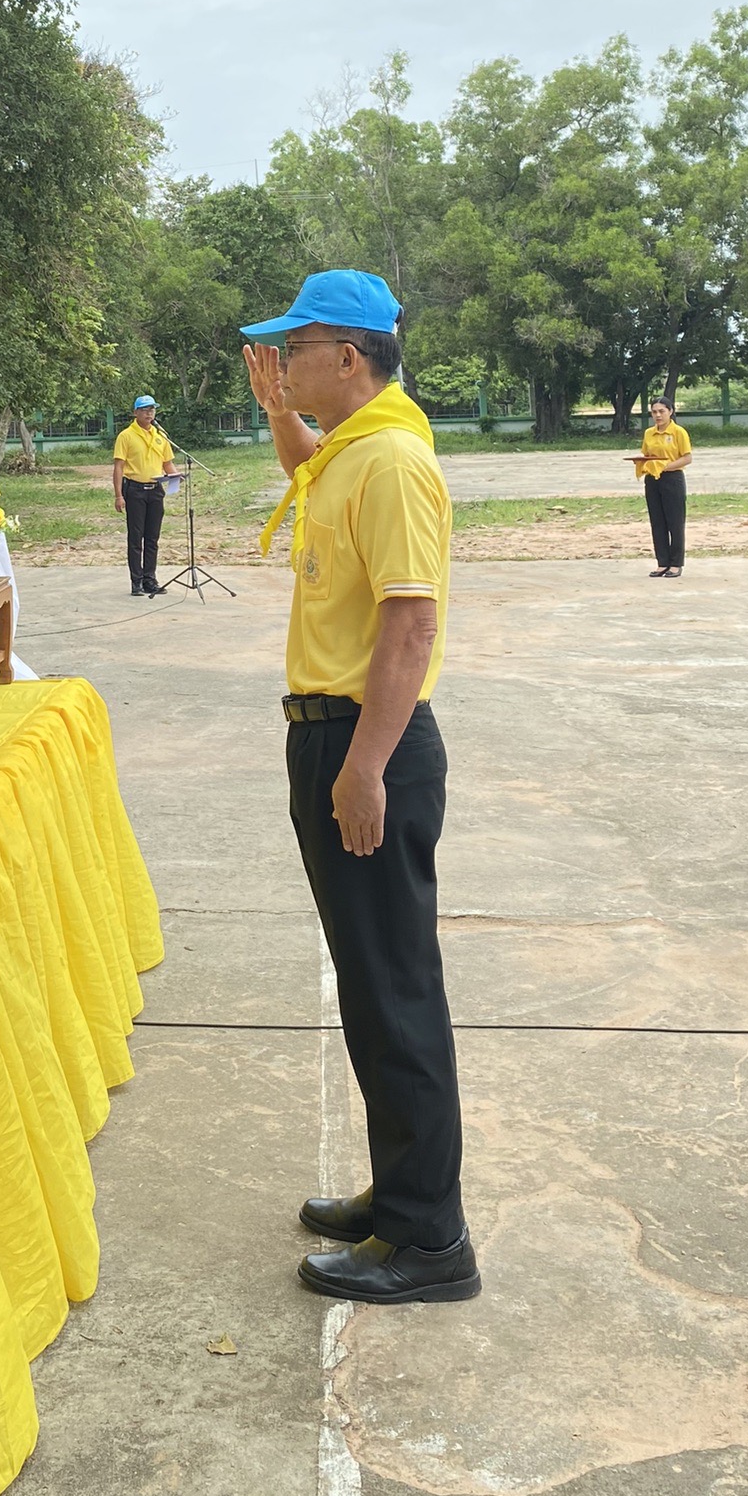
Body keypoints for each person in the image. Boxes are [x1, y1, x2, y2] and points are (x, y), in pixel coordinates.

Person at [242, 269, 478, 1307]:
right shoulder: (349, 449)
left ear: (348, 356)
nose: (282, 360)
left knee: (394, 990)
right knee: (372, 987)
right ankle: (400, 1195)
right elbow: (306, 473)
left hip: (363, 740)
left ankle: (430, 1241)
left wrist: (365, 767)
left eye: (295, 349)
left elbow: (410, 624)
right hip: (334, 735)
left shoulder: (389, 464)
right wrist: (277, 414)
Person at [112, 395, 174, 596]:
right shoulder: (126, 436)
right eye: (145, 410)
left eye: (152, 410)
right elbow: (119, 467)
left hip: (155, 490)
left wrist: (177, 478)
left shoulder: (160, 435)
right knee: (136, 537)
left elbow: (167, 464)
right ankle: (136, 581)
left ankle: (150, 579)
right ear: (135, 412)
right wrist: (118, 495)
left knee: (152, 538)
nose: (149, 413)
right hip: (135, 490)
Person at [631, 397, 692, 577]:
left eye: (661, 411)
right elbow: (647, 454)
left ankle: (676, 564)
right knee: (657, 521)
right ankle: (662, 562)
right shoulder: (649, 433)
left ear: (670, 411)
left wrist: (664, 466)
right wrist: (642, 461)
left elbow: (687, 458)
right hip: (652, 479)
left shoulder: (678, 432)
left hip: (672, 479)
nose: (658, 415)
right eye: (654, 412)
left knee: (675, 522)